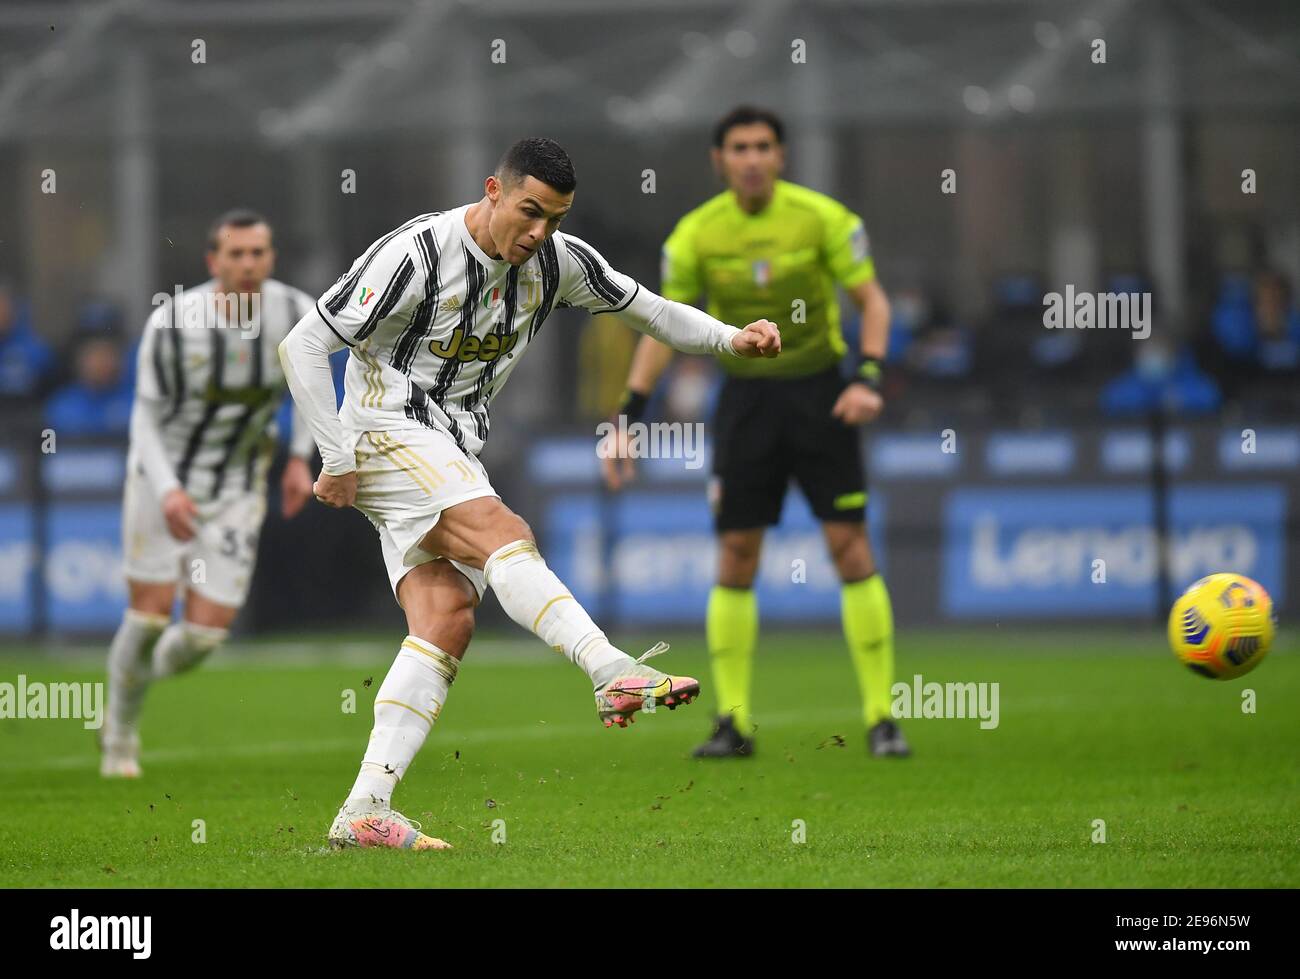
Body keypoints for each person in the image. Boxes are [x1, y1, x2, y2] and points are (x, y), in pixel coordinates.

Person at [278, 136, 782, 851]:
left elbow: (655, 313)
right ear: (493, 190)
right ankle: (610, 669)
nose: (540, 231)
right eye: (529, 211)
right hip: (383, 427)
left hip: (447, 445)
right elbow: (301, 344)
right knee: (503, 531)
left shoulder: (557, 263)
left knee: (448, 615)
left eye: (556, 217)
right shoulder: (415, 255)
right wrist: (335, 455)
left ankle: (365, 806)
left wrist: (736, 339)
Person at [602, 106, 909, 759]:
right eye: (739, 147)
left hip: (822, 394)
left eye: (763, 146)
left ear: (782, 155)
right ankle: (732, 722)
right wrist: (629, 414)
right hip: (744, 402)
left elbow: (873, 302)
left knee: (849, 546)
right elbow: (663, 324)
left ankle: (883, 718)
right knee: (736, 553)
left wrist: (870, 378)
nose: (751, 157)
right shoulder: (695, 235)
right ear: (719, 160)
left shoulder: (823, 218)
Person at [100, 209, 318, 778]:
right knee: (147, 620)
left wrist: (299, 460)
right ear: (213, 261)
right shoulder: (173, 323)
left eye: (258, 253)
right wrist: (169, 491)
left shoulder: (296, 313)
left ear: (270, 257)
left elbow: (310, 390)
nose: (248, 264)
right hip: (160, 482)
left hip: (236, 488)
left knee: (201, 638)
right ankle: (119, 734)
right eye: (236, 254)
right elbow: (144, 420)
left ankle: (129, 679)